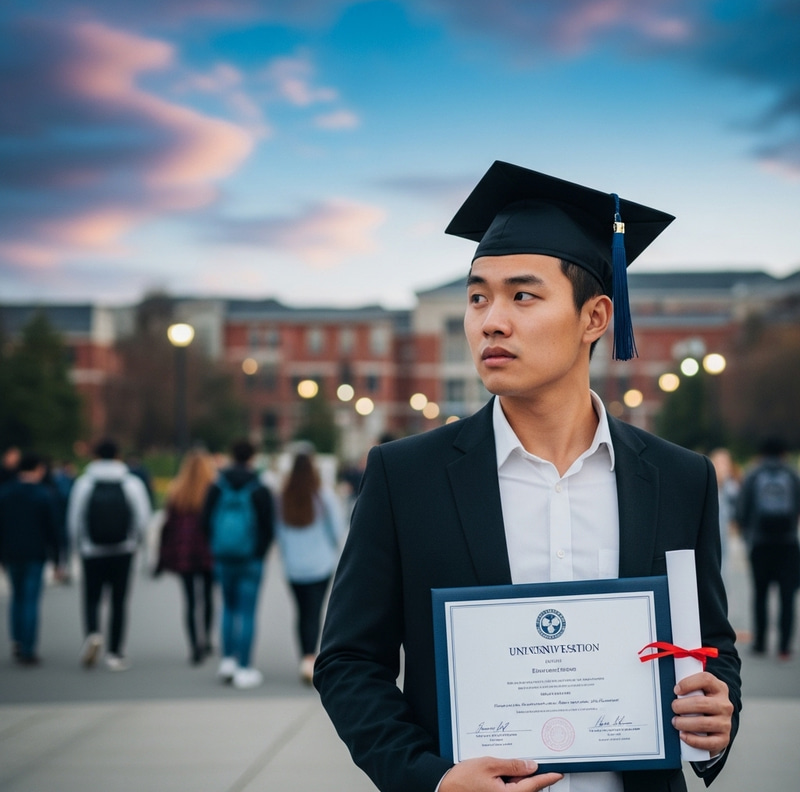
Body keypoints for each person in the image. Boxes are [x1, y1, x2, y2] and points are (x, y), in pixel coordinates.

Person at [314, 161, 741, 792]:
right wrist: (428, 780)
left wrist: (714, 713)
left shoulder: (679, 478)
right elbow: (350, 661)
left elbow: (707, 642)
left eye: (523, 295)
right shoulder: (406, 478)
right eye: (478, 297)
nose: (490, 320)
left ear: (595, 318)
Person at [67, 438, 152, 671]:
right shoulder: (130, 483)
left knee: (91, 598)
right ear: (118, 455)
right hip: (123, 550)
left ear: (94, 456)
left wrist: (75, 548)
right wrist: (141, 547)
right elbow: (143, 518)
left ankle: (93, 635)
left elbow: (74, 518)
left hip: (91, 550)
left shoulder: (84, 483)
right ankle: (115, 651)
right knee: (119, 601)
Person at [202, 439, 274, 689]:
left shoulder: (217, 486)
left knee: (228, 608)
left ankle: (227, 662)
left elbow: (205, 521)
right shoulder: (259, 488)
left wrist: (216, 547)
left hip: (223, 557)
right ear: (252, 456)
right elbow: (268, 527)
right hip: (250, 559)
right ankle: (245, 668)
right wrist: (259, 554)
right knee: (248, 612)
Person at [275, 449, 344, 684]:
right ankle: (310, 659)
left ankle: (305, 657)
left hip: (294, 566)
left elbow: (280, 534)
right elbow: (336, 529)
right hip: (320, 564)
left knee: (302, 612)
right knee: (314, 613)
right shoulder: (322, 495)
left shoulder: (283, 496)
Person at [736, 436, 800, 660]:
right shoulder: (791, 474)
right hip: (788, 543)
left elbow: (742, 509)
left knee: (760, 594)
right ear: (783, 453)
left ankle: (761, 643)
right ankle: (784, 647)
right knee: (787, 596)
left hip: (761, 543)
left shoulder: (753, 475)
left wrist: (747, 536)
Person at [156, 448, 217, 665]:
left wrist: (161, 557)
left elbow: (168, 525)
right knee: (208, 598)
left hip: (184, 553)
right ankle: (207, 638)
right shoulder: (212, 489)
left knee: (190, 601)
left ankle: (194, 646)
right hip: (209, 552)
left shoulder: (177, 490)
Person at [0, 452, 60, 665]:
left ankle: (16, 640)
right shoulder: (43, 495)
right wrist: (57, 558)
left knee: (16, 598)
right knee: (31, 600)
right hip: (35, 553)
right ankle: (28, 648)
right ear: (38, 469)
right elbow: (52, 529)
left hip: (11, 553)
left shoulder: (5, 493)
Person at [709, 447, 740, 577]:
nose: (724, 467)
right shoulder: (707, 485)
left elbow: (736, 504)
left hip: (724, 533)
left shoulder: (730, 485)